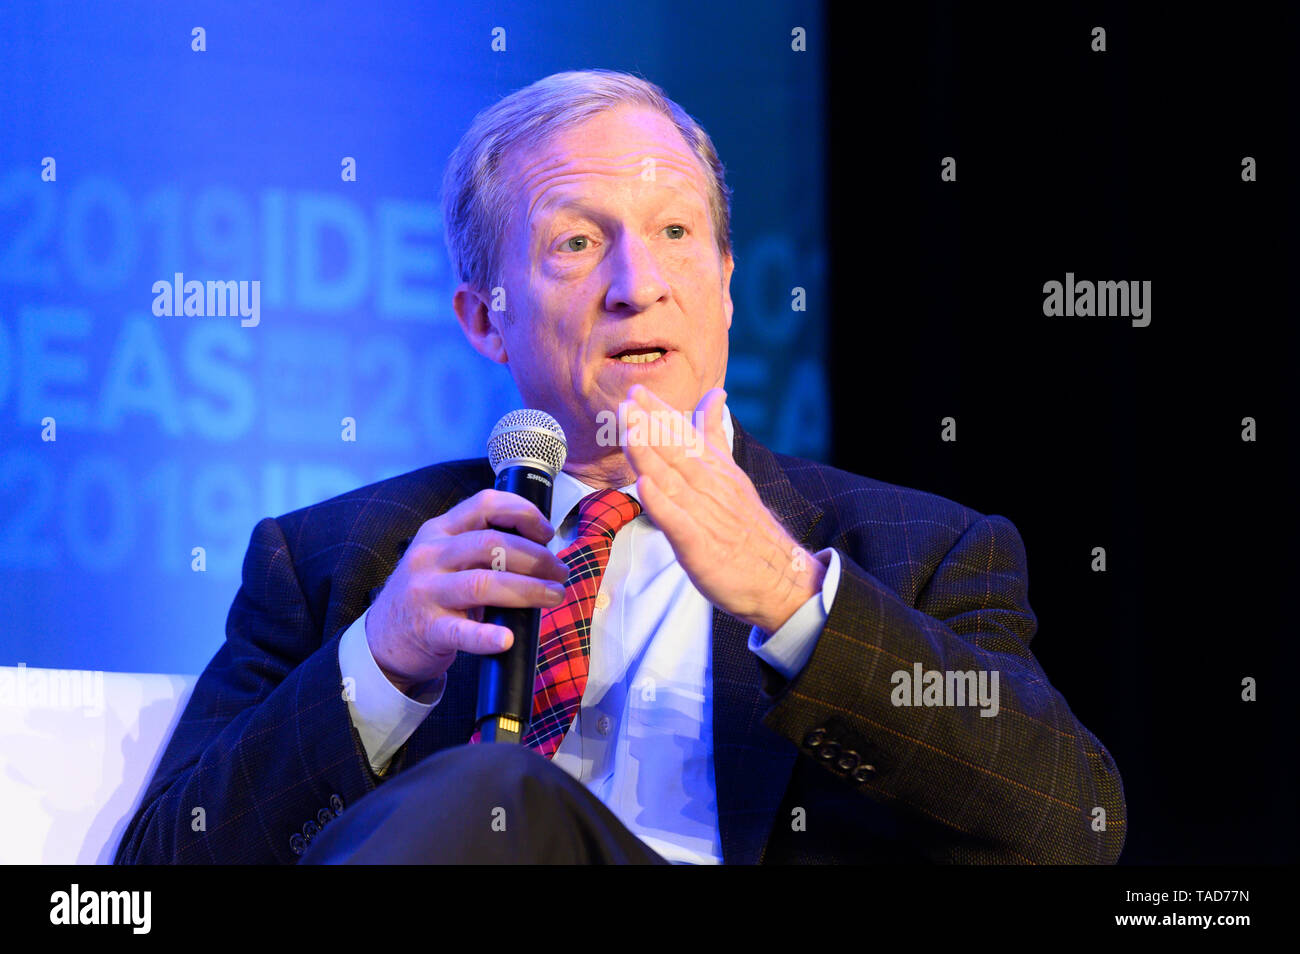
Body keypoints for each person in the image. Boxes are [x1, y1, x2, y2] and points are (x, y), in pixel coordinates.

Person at [115, 69, 1125, 865]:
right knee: (486, 794)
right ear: (483, 317)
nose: (637, 286)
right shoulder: (339, 561)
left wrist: (791, 602)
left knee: (486, 790)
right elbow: (153, 879)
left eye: (676, 234)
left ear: (727, 288)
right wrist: (377, 664)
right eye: (575, 243)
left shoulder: (917, 551)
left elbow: (1068, 820)